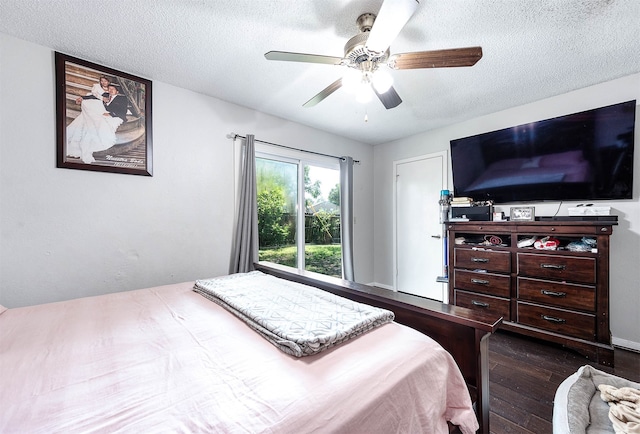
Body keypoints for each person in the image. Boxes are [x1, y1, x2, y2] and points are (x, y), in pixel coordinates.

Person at [66, 78, 127, 164]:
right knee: (89, 112)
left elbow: (122, 111)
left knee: (99, 122)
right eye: (109, 89)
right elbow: (93, 96)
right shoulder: (106, 95)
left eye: (113, 89)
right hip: (105, 112)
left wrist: (111, 114)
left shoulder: (122, 98)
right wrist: (82, 98)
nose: (110, 91)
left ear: (117, 91)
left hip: (115, 115)